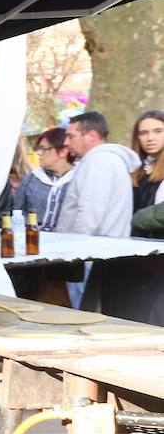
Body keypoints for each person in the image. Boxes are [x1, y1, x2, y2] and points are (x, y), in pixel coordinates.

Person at [59, 111, 141, 312]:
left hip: (86, 254)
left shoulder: (100, 161)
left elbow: (90, 213)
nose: (67, 142)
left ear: (91, 136)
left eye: (71, 136)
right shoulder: (100, 160)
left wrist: (73, 255)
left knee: (79, 317)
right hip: (94, 253)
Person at [19, 127, 76, 227]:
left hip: (66, 239)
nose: (38, 153)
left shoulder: (78, 181)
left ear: (62, 151)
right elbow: (16, 213)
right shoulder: (31, 179)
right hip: (32, 238)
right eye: (38, 149)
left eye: (44, 149)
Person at [129, 110, 164, 237]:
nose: (150, 138)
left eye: (158, 131)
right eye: (144, 133)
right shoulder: (133, 170)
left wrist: (138, 219)